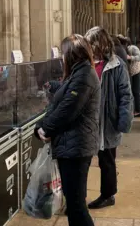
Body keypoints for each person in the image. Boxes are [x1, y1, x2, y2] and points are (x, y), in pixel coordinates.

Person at [35, 34, 101, 226]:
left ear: (71, 54)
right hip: (72, 145)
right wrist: (42, 126)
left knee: (77, 206)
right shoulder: (79, 73)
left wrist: (45, 129)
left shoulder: (84, 75)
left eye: (63, 53)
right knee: (74, 204)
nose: (61, 58)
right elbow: (61, 103)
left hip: (76, 147)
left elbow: (67, 109)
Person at [84, 27, 133, 209]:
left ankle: (108, 195)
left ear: (100, 44)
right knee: (82, 162)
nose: (89, 47)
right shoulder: (85, 62)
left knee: (107, 160)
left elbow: (125, 95)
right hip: (86, 122)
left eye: (91, 43)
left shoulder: (116, 65)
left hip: (107, 121)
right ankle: (77, 199)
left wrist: (123, 120)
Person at [118, 35, 140, 117]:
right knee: (132, 91)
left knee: (137, 91)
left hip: (137, 71)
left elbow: (139, 57)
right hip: (132, 72)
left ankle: (138, 111)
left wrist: (130, 57)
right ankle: (133, 110)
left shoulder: (133, 47)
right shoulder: (124, 49)